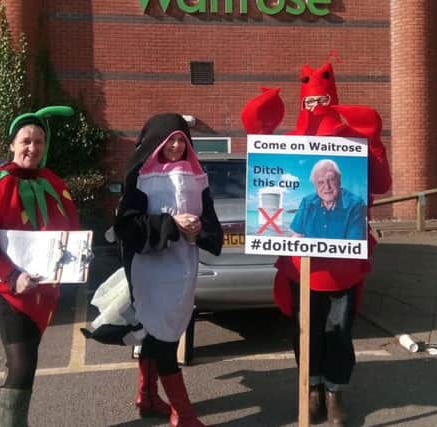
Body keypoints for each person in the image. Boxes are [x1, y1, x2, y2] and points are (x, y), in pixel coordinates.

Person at [241, 63, 391, 425]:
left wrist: (372, 140)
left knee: (339, 333)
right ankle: (310, 387)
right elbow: (269, 172)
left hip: (343, 267)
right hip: (300, 266)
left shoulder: (352, 141)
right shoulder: (293, 147)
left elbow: (382, 184)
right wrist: (260, 126)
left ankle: (334, 392)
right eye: (311, 100)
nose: (316, 106)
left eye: (324, 99)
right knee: (304, 331)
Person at [0, 106, 79, 426]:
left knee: (24, 363)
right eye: (26, 140)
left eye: (39, 141)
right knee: (23, 365)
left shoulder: (52, 182)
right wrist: (12, 276)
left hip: (41, 291)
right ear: (12, 144)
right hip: (8, 292)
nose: (32, 147)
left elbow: (69, 234)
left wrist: (76, 257)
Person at [114, 113, 223, 427]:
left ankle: (147, 398)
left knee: (157, 334)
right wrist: (171, 225)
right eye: (170, 140)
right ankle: (184, 415)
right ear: (156, 143)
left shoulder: (197, 176)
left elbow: (211, 223)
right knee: (163, 342)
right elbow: (126, 226)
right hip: (149, 272)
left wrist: (199, 230)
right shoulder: (139, 177)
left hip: (182, 271)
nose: (176, 146)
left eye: (182, 140)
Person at [290, 158, 367, 240]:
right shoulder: (307, 202)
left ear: (339, 181)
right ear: (315, 185)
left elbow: (355, 245)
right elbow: (297, 235)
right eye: (321, 182)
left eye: (331, 180)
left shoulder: (355, 204)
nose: (327, 187)